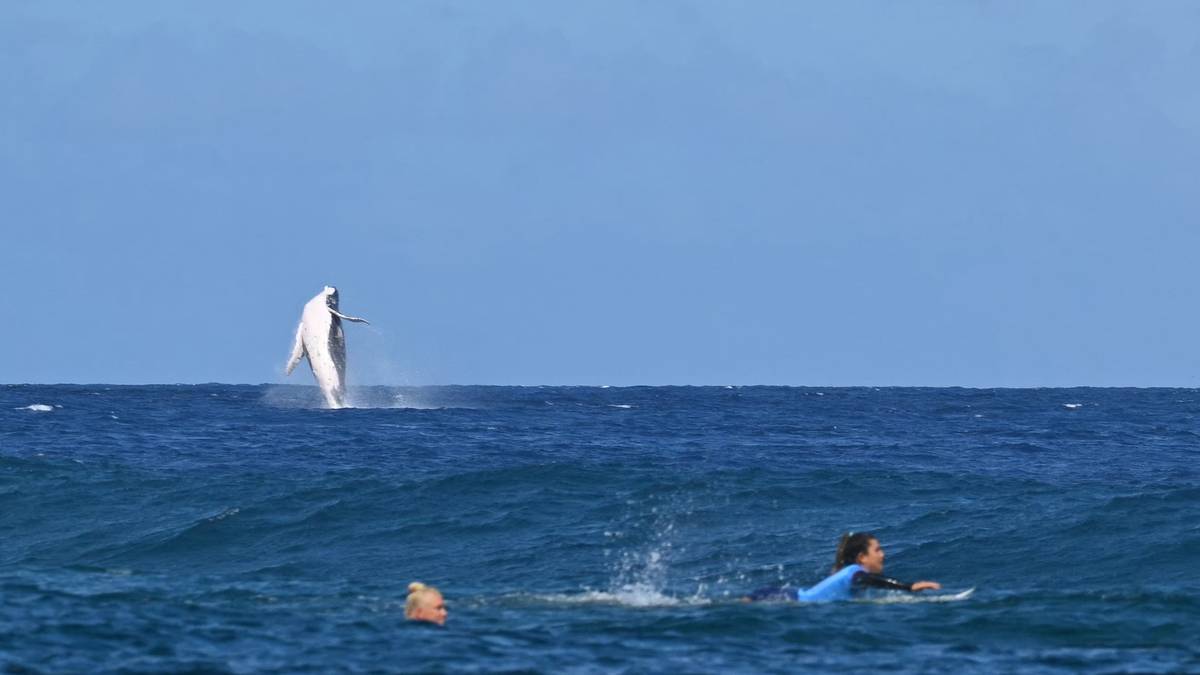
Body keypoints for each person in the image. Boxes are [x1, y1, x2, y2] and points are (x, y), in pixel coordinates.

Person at [747, 532, 941, 602]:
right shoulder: (856, 573)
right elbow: (869, 580)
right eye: (878, 550)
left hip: (786, 595)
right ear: (862, 557)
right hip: (783, 598)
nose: (883, 554)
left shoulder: (848, 572)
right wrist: (908, 587)